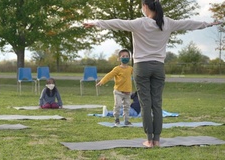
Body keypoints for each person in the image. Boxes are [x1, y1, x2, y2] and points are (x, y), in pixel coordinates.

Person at [83, 0, 221, 147]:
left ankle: (149, 140)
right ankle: (157, 139)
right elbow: (189, 23)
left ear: (145, 7)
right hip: (159, 68)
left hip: (142, 67)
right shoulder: (167, 22)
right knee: (157, 103)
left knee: (145, 104)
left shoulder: (140, 23)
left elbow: (117, 23)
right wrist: (209, 23)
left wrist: (96, 23)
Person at [96, 49, 133, 126]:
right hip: (118, 92)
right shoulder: (117, 69)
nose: (125, 57)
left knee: (127, 107)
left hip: (127, 92)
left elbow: (138, 75)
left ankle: (126, 120)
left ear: (129, 58)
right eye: (123, 56)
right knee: (118, 105)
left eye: (127, 56)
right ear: (119, 58)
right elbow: (109, 75)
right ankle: (117, 119)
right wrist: (102, 81)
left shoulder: (130, 69)